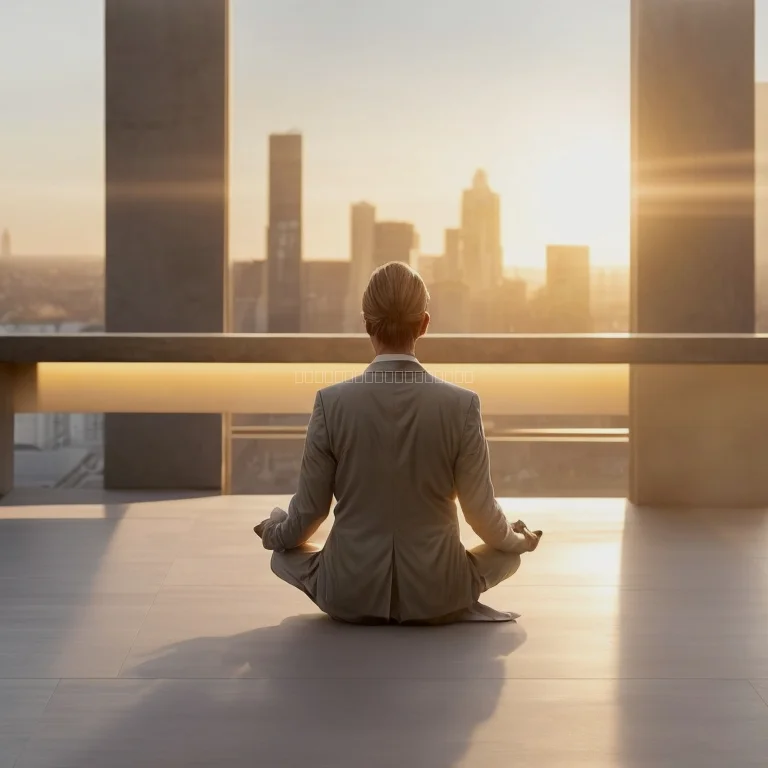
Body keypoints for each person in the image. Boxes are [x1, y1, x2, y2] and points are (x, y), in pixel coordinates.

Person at [254, 261, 542, 625]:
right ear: (424, 324)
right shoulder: (462, 405)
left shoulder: (331, 403)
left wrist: (274, 531)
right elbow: (481, 514)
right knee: (508, 555)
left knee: (281, 555)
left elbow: (309, 514)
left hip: (348, 591)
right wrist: (520, 541)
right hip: (439, 594)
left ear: (366, 324)